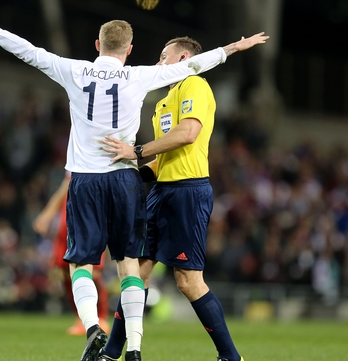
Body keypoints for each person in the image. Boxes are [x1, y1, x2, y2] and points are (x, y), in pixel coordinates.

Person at [0, 4, 268, 361]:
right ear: (129, 50)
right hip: (129, 181)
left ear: (97, 44)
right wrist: (231, 50)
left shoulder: (77, 70)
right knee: (133, 266)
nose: (162, 61)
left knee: (94, 266)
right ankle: (128, 349)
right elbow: (195, 64)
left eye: (166, 56)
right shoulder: (143, 80)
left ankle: (97, 331)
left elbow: (28, 51)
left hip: (104, 181)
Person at [101, 37, 246, 361]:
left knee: (188, 281)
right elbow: (161, 160)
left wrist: (135, 151)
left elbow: (188, 134)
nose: (158, 62)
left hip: (188, 192)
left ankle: (230, 357)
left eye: (163, 56)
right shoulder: (163, 102)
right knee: (135, 275)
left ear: (183, 57)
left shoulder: (194, 85)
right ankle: (110, 354)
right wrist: (128, 178)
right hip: (162, 191)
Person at [33, 173, 110, 336]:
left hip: (91, 219)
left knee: (93, 272)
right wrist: (47, 216)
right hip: (68, 223)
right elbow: (64, 188)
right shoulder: (76, 157)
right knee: (65, 273)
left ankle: (101, 318)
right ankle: (81, 318)